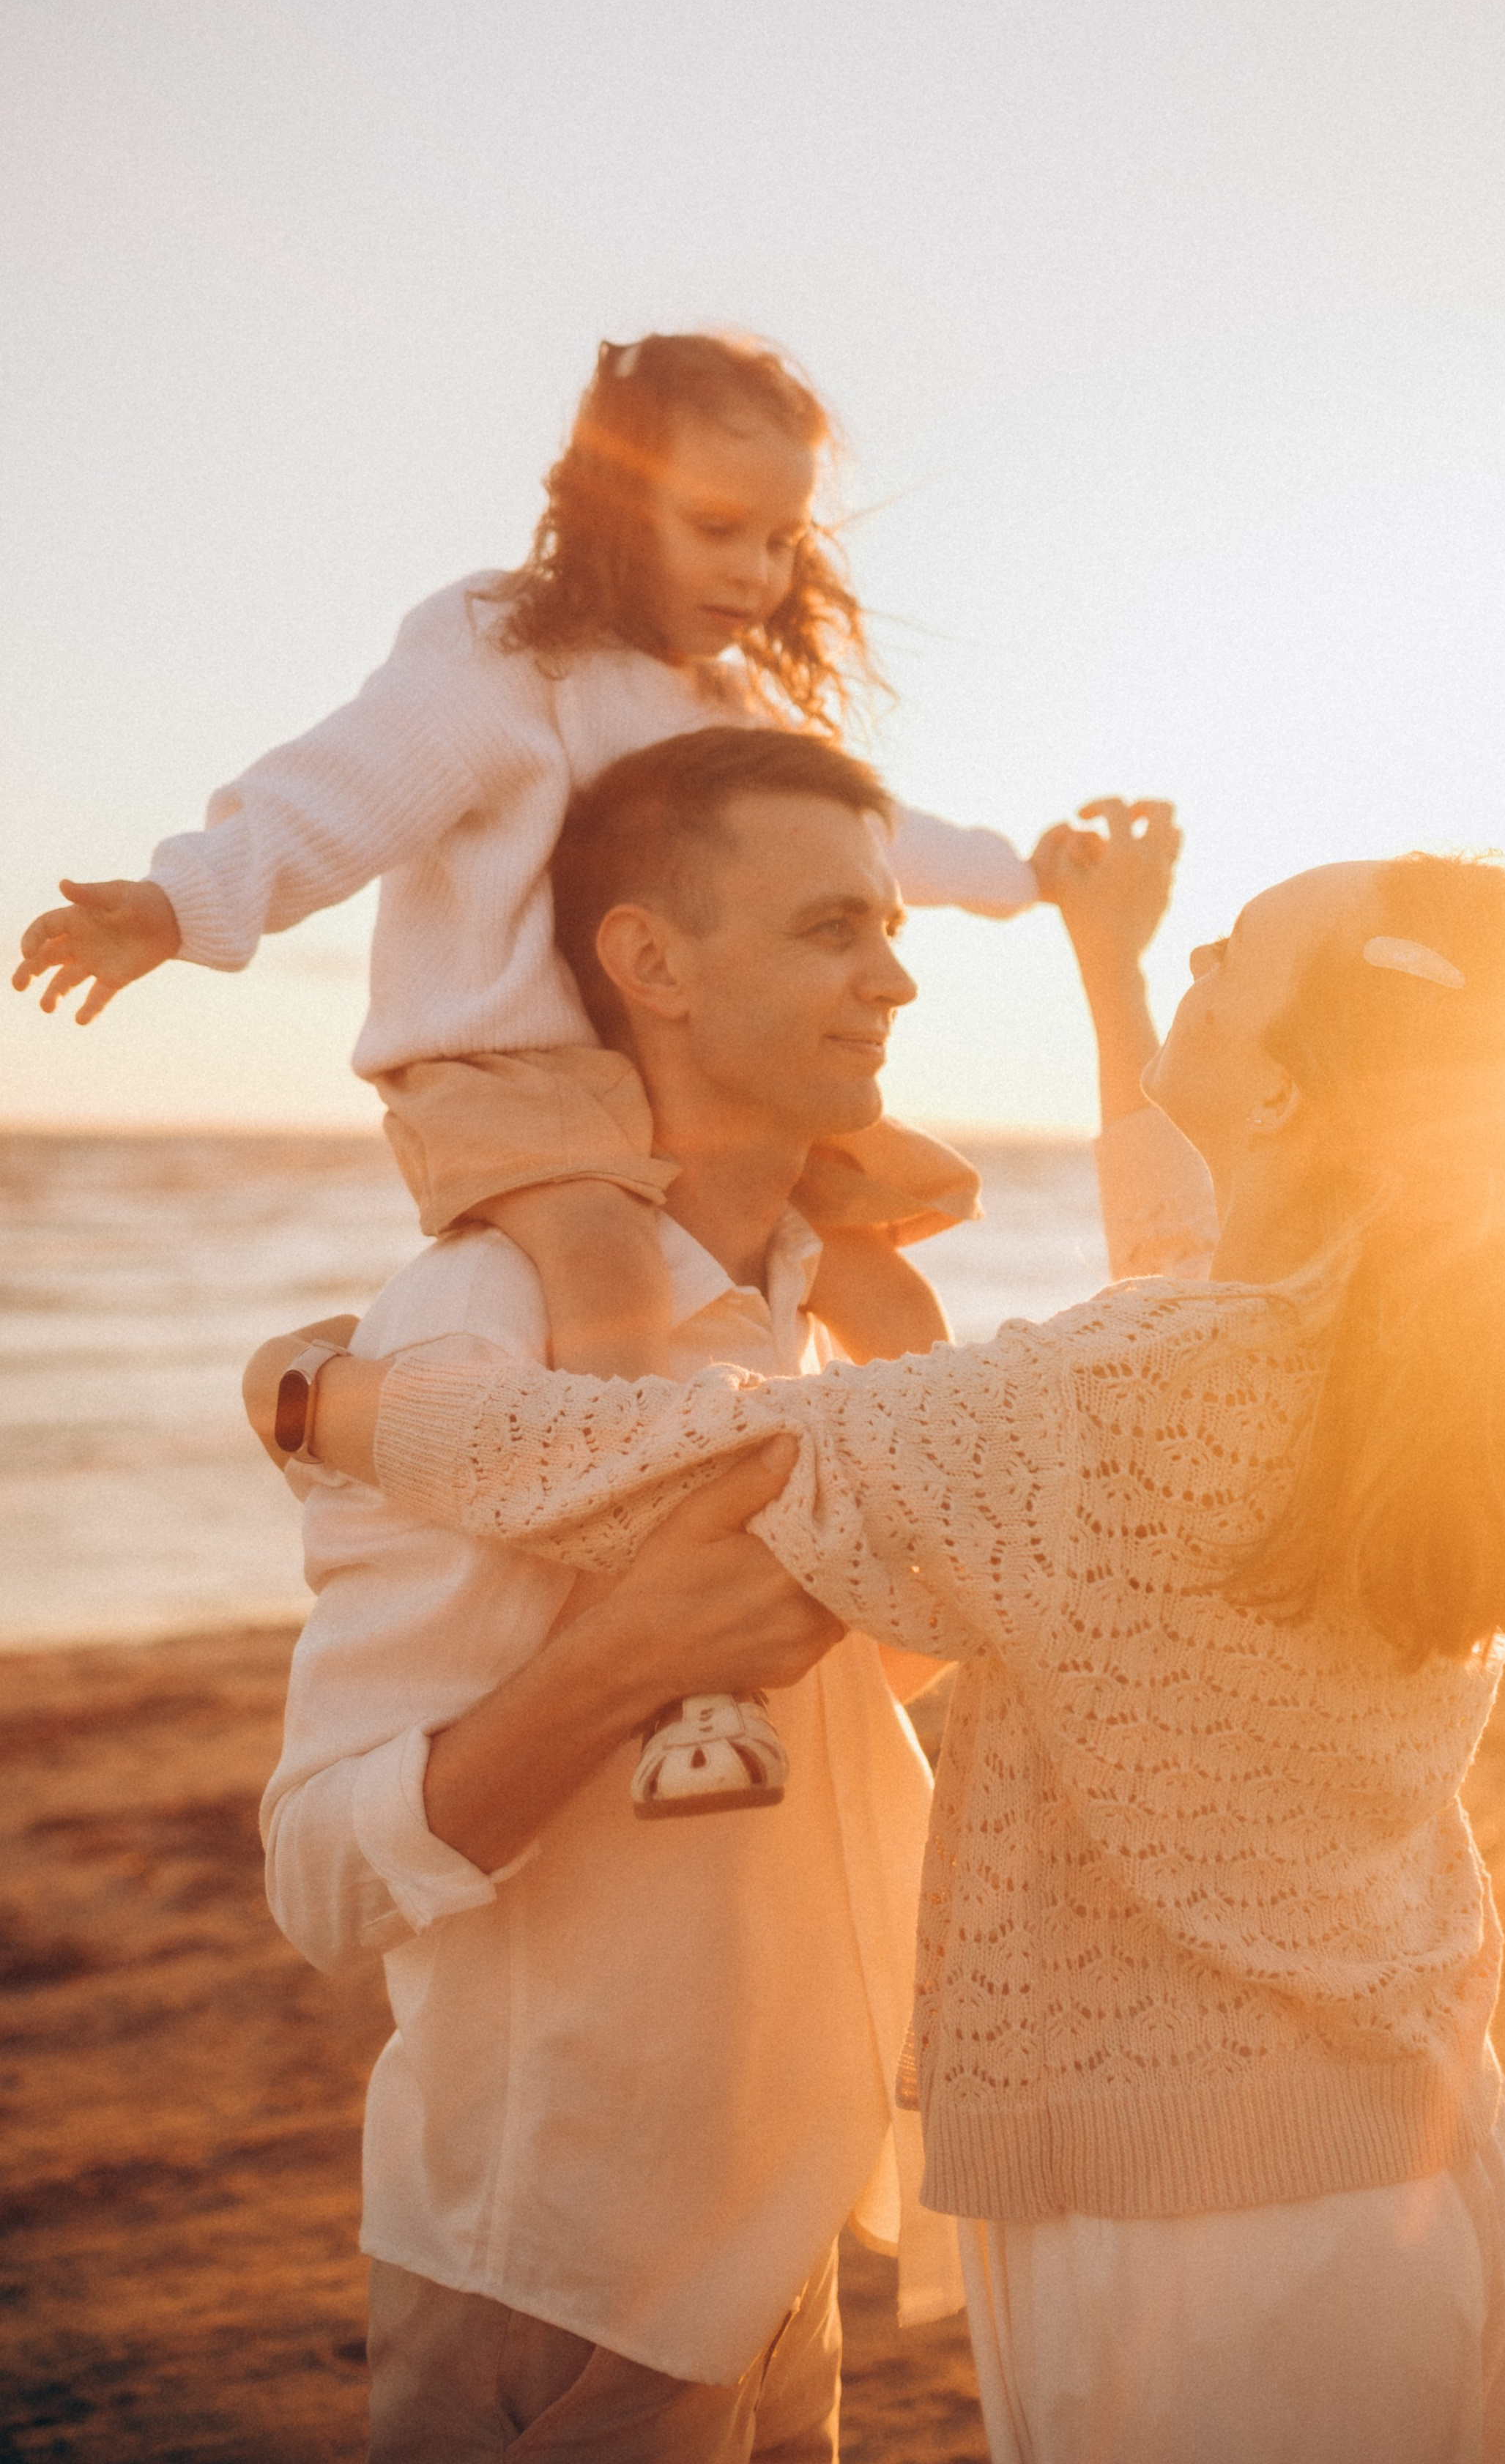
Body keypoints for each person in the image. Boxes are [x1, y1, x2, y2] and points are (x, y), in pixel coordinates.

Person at [272, 806, 1505, 2463]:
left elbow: (658, 1456)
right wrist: (1111, 966)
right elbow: (1174, 1248)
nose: (1202, 956)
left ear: (1291, 1098)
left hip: (1215, 2243)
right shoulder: (1380, 1355)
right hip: (1425, 2161)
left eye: (1233, 954)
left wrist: (315, 1396)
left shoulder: (1133, 1390)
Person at [253, 724, 1035, 2460]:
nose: (894, 979)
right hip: (559, 2269)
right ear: (651, 964)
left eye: (888, 928)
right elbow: (319, 1876)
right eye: (831, 928)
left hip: (781, 2243)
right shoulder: (483, 1323)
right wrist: (622, 1659)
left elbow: (846, 1691)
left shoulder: (823, 1324)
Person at [12, 330, 1050, 1381]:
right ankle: (635, 1463)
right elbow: (347, 785)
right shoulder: (506, 654)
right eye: (716, 527)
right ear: (614, 505)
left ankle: (957, 1463)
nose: (754, 570)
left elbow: (866, 843)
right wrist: (178, 903)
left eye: (783, 540)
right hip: (508, 1066)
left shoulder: (728, 706)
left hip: (670, 1072)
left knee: (876, 1268)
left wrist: (1025, 878)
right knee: (609, 1263)